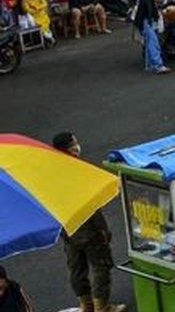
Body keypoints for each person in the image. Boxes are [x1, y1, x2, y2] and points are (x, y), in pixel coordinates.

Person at [51, 133, 126, 312]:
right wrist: (103, 230)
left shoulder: (51, 170)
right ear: (69, 149)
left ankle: (86, 305)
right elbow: (90, 206)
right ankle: (102, 306)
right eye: (74, 143)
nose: (78, 145)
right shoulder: (77, 169)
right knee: (101, 266)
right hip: (87, 229)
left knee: (76, 267)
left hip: (67, 229)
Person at [134, 0, 167, 74]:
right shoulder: (147, 0)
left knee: (150, 43)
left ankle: (150, 65)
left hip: (148, 23)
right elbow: (147, 14)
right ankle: (158, 65)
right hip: (148, 23)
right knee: (153, 44)